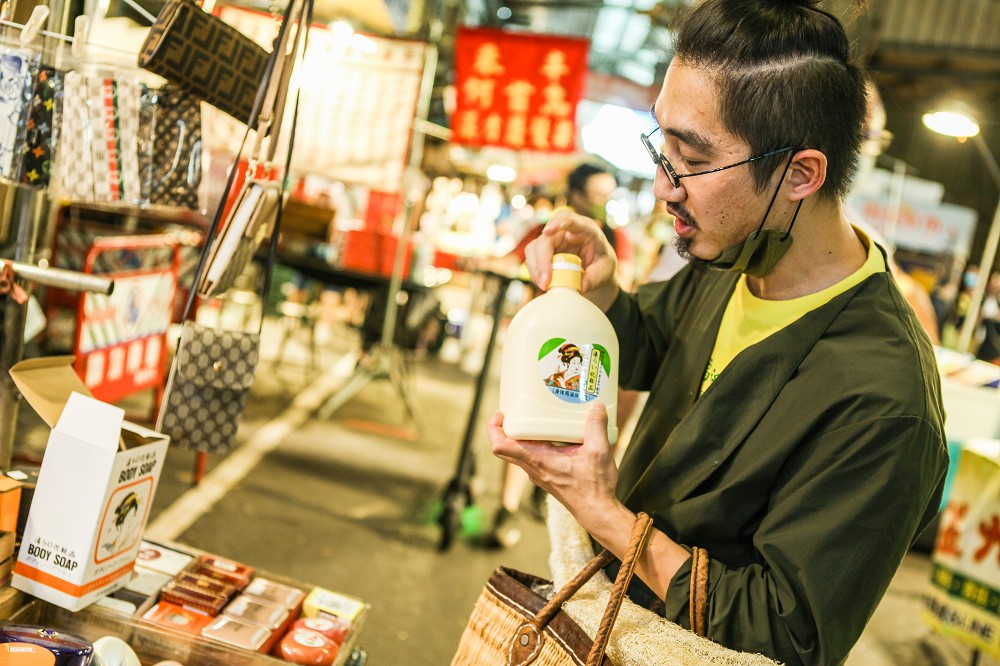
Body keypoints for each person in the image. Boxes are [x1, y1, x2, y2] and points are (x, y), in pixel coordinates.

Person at [487, 0, 949, 663]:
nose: (662, 189)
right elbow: (650, 343)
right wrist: (602, 288)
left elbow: (787, 634)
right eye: (661, 148)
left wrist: (605, 515)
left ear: (800, 174)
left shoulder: (884, 402)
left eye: (691, 160)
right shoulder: (735, 252)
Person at [485, 164, 637, 548]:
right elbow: (511, 259)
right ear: (575, 194)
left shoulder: (617, 240)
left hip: (593, 356)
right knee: (527, 426)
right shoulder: (547, 233)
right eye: (596, 195)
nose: (602, 203)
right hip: (545, 350)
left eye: (608, 195)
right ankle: (507, 508)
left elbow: (630, 286)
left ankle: (573, 521)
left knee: (581, 432)